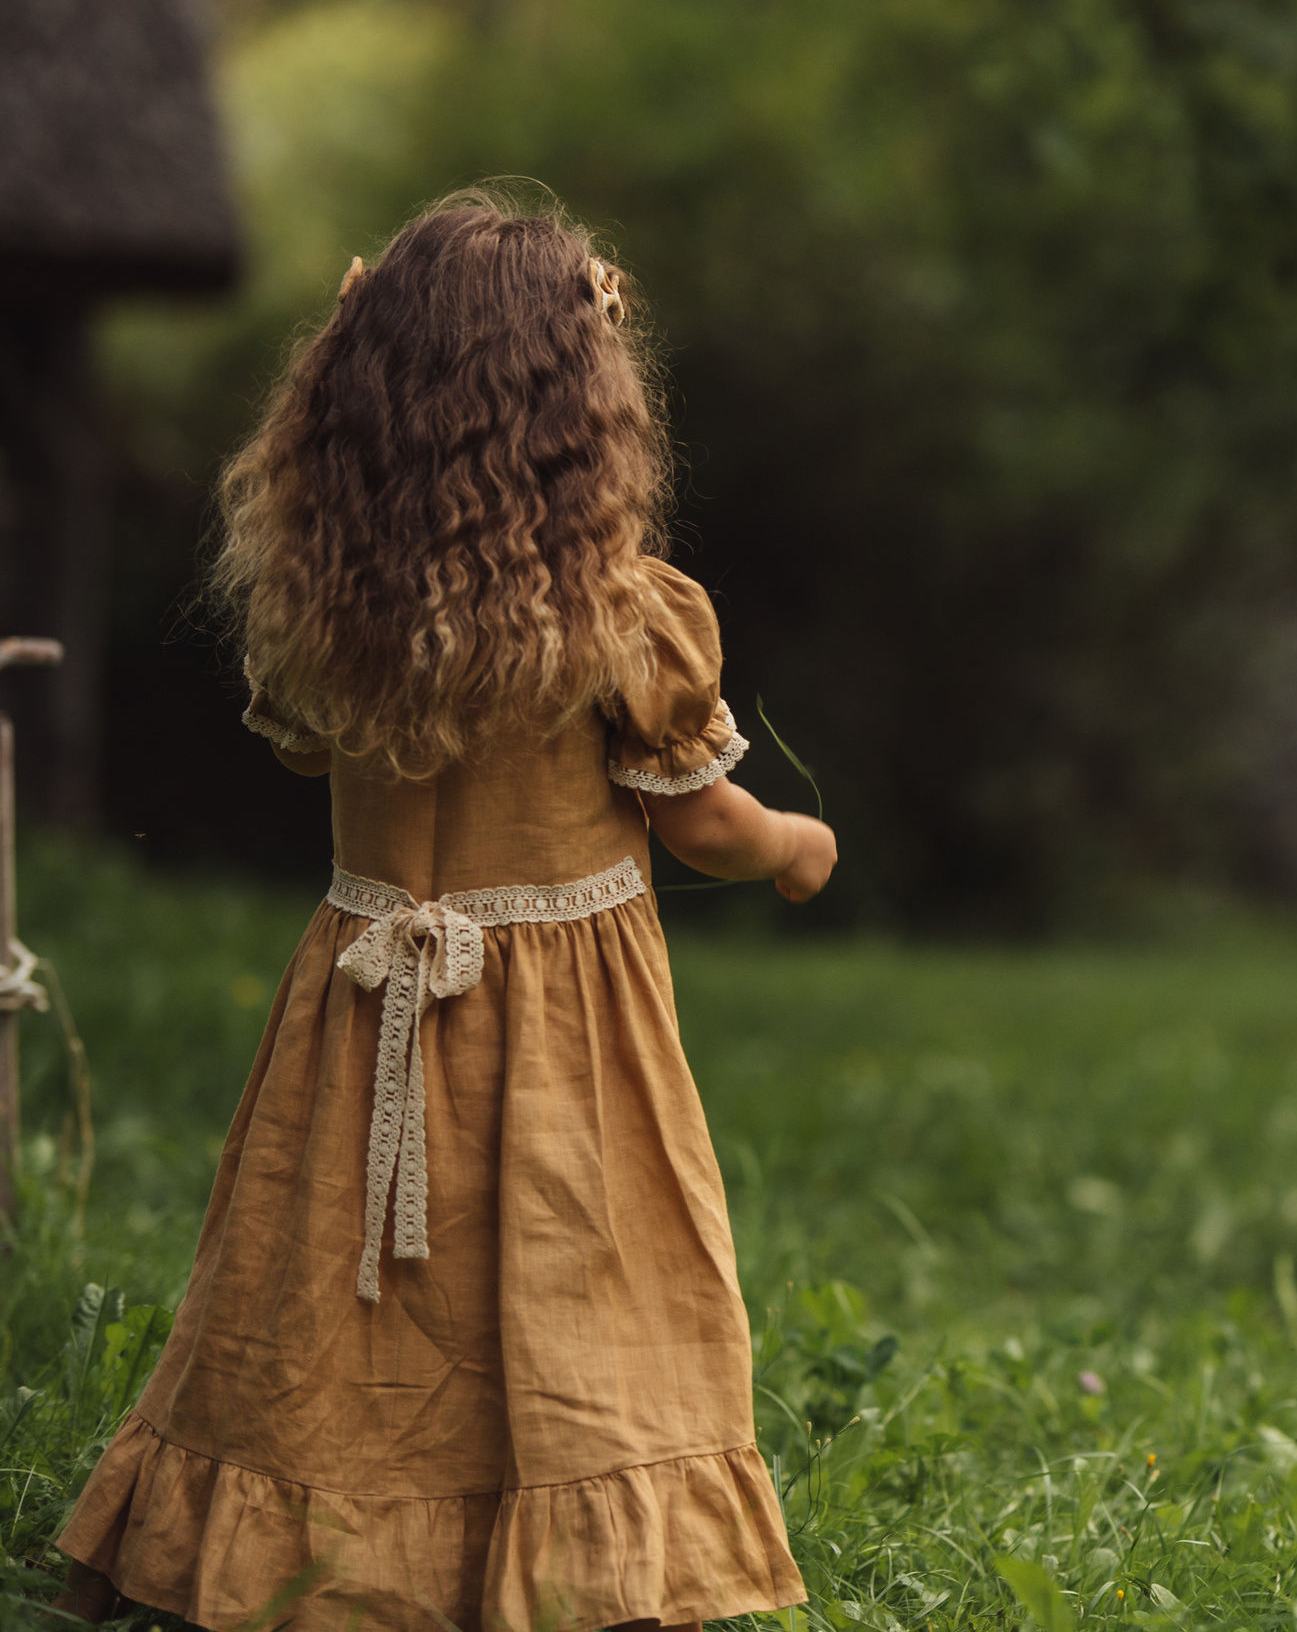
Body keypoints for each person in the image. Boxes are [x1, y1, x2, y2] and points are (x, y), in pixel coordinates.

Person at [51, 196, 835, 1629]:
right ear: (580, 411)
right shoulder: (617, 616)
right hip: (559, 1039)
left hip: (359, 1006)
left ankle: (312, 1562)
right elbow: (703, 822)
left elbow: (300, 742)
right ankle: (574, 1569)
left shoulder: (328, 608)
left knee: (332, 1306)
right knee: (574, 1282)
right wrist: (790, 841)